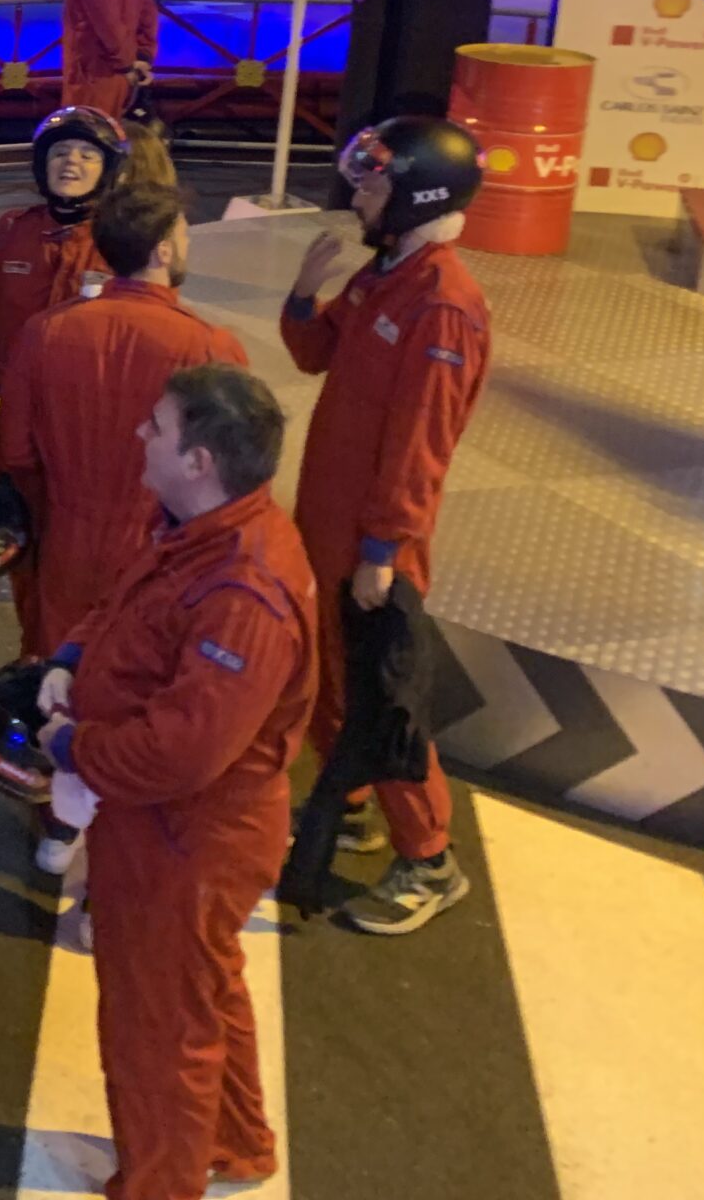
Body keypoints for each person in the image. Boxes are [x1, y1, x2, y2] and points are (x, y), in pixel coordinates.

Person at [38, 365, 315, 1200]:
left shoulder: (245, 594)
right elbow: (128, 609)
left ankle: (160, 1184)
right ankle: (236, 1140)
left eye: (155, 427)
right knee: (201, 991)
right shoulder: (199, 534)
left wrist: (73, 746)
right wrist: (73, 657)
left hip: (185, 841)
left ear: (199, 460)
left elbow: (182, 753)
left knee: (157, 1027)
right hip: (171, 831)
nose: (139, 435)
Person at [0, 182, 249, 869]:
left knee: (58, 679)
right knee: (144, 694)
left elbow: (15, 450)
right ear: (163, 249)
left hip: (65, 538)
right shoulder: (209, 346)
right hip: (158, 553)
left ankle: (56, 823)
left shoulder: (46, 332)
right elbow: (229, 478)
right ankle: (119, 832)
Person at [282, 115, 492, 935]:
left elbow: (420, 447)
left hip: (374, 544)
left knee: (384, 699)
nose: (359, 195)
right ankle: (352, 804)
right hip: (330, 525)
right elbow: (313, 353)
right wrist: (305, 293)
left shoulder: (443, 306)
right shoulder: (386, 275)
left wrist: (384, 549)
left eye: (374, 183)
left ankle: (430, 859)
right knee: (334, 673)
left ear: (418, 196)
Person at [0, 106, 131, 400]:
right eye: (60, 152)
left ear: (109, 169)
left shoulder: (123, 239)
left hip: (84, 401)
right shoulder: (11, 230)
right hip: (10, 396)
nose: (70, 161)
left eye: (87, 155)